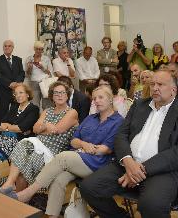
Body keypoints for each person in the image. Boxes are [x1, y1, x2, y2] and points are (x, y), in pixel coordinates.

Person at [80, 70, 178, 218]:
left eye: (160, 84)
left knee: (151, 204)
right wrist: (128, 161)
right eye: (152, 84)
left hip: (163, 171)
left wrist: (139, 170)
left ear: (173, 89)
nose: (154, 88)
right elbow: (121, 135)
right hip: (127, 163)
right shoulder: (139, 105)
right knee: (88, 187)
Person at [9, 86, 124, 218]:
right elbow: (74, 140)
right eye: (94, 99)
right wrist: (83, 144)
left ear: (111, 99)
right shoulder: (91, 118)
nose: (97, 101)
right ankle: (51, 215)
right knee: (58, 180)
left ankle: (28, 193)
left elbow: (104, 150)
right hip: (77, 157)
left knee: (63, 157)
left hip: (96, 163)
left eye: (101, 97)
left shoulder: (118, 121)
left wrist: (86, 148)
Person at [0, 82, 78, 192]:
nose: (59, 95)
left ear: (67, 95)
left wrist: (43, 128)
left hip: (52, 150)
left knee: (24, 166)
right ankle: (11, 184)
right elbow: (35, 129)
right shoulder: (47, 111)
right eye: (56, 93)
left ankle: (18, 196)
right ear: (52, 96)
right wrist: (46, 126)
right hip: (37, 144)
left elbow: (57, 130)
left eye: (62, 93)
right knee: (22, 146)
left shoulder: (72, 112)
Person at [0, 83, 39, 189]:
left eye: (21, 93)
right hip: (5, 136)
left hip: (19, 140)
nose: (18, 96)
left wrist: (9, 127)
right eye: (16, 94)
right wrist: (11, 127)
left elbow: (22, 128)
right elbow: (2, 123)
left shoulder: (33, 109)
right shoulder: (14, 106)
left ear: (28, 94)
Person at [0, 40, 25, 125]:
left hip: (16, 92)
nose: (7, 47)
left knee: (15, 114)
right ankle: (1, 134)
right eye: (5, 46)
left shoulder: (18, 60)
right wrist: (9, 84)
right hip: (3, 92)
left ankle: (14, 133)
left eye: (9, 46)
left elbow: (22, 73)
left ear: (13, 48)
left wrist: (17, 83)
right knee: (2, 114)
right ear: (3, 48)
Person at [25, 41, 54, 109]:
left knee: (47, 105)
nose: (39, 51)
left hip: (45, 83)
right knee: (34, 105)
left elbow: (50, 73)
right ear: (34, 49)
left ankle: (46, 119)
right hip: (33, 83)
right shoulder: (29, 59)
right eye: (37, 49)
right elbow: (27, 75)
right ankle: (35, 119)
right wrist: (30, 68)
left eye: (41, 49)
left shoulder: (46, 59)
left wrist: (43, 68)